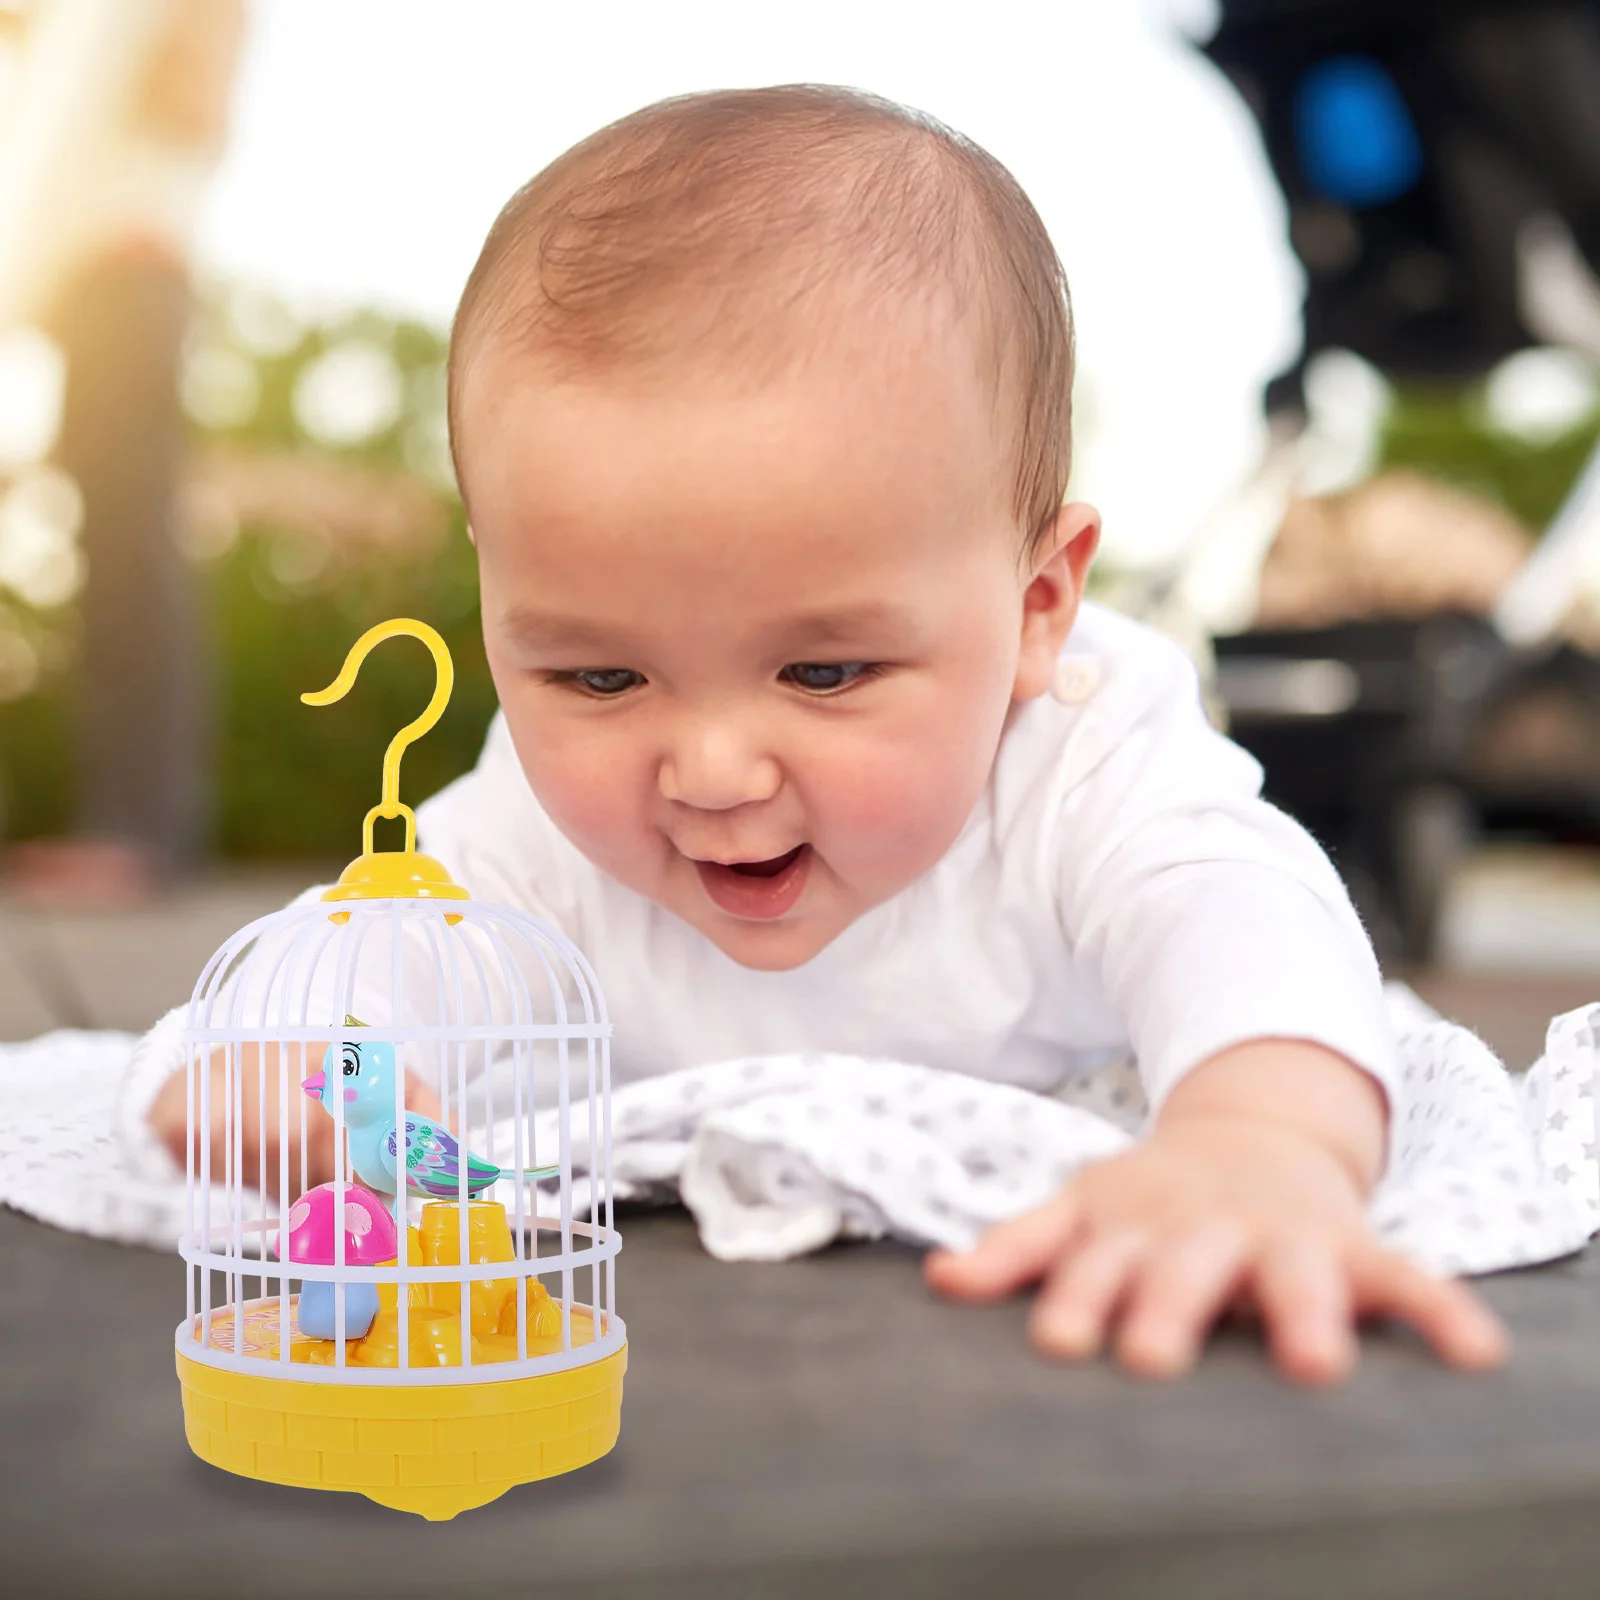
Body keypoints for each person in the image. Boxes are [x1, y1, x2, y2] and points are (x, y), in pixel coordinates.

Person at [141, 85, 1506, 1384]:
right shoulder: (532, 822)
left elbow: (1238, 914)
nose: (714, 771)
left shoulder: (1084, 758)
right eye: (602, 679)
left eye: (826, 669)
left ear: (1035, 607)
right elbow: (399, 939)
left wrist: (1256, 1142)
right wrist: (316, 1061)